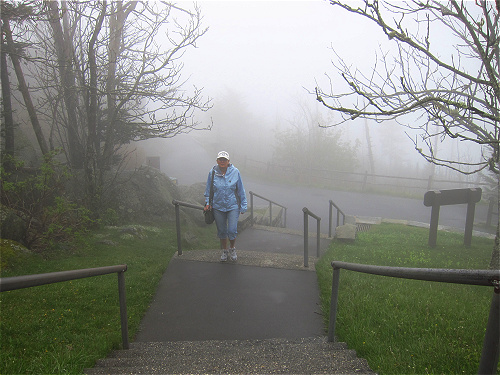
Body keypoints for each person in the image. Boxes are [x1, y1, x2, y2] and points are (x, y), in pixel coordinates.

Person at [204, 151, 247, 262]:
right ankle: (224, 250)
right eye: (220, 159)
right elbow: (208, 190)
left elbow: (241, 189)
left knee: (232, 230)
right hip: (218, 207)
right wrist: (207, 203)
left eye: (224, 160)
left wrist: (243, 205)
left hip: (233, 206)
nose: (222, 161)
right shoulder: (212, 172)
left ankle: (232, 248)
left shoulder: (235, 172)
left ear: (228, 161)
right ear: (217, 161)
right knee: (222, 231)